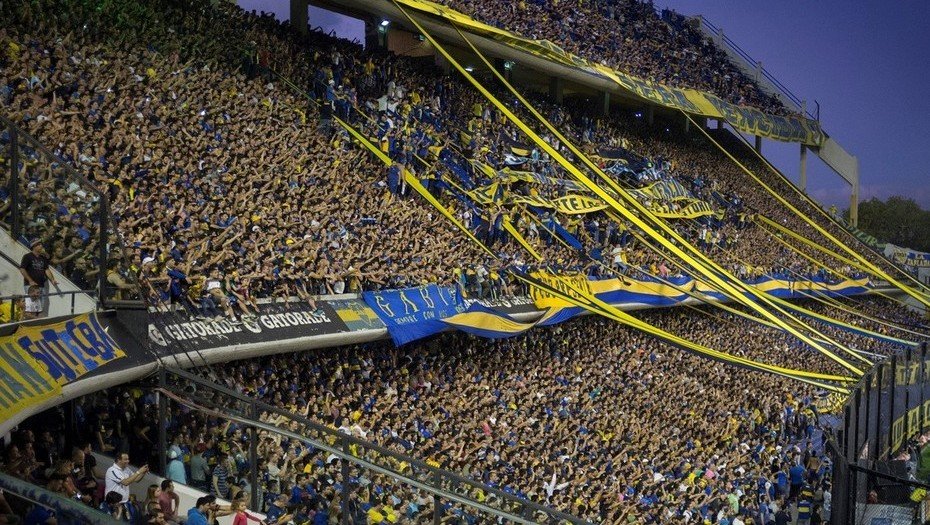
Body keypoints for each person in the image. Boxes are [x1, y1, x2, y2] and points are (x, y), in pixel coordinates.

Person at [19, 241, 57, 315]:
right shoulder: (27, 256)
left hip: (41, 286)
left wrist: (52, 280)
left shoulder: (43, 258)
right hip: (31, 286)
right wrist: (30, 281)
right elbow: (22, 269)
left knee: (40, 307)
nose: (41, 246)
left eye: (41, 244)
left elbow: (46, 270)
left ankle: (38, 320)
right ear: (34, 246)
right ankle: (30, 321)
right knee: (31, 307)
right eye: (39, 245)